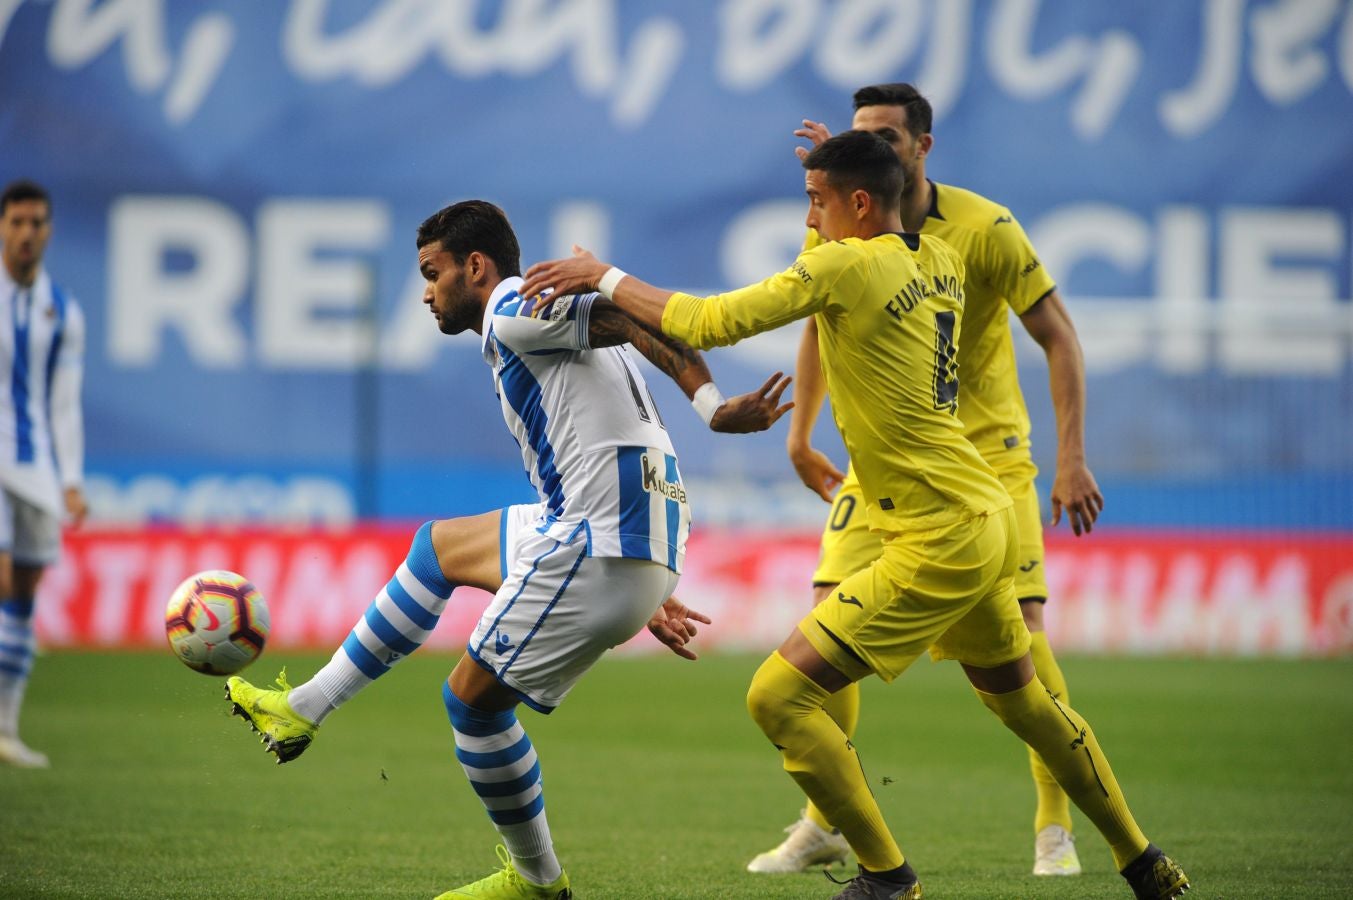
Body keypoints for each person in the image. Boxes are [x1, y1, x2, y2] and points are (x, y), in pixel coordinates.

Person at [519, 131, 1189, 900]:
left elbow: (706, 322)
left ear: (859, 203)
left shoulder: (844, 264)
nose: (809, 219)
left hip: (935, 533)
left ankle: (886, 877)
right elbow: (848, 277)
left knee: (775, 695)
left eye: (816, 201)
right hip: (983, 513)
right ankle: (1143, 861)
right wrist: (833, 180)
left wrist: (599, 276)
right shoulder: (934, 258)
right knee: (1027, 702)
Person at [225, 199, 792, 899]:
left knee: (473, 704)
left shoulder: (512, 306)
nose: (426, 292)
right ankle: (303, 708)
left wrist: (710, 407)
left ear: (476, 266)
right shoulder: (534, 315)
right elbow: (623, 341)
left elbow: (637, 316)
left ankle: (536, 882)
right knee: (438, 549)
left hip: (602, 538)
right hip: (620, 531)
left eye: (432, 273)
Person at [748, 81, 1102, 878]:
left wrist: (1071, 456)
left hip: (986, 464)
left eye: (886, 134)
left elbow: (1058, 336)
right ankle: (825, 820)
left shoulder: (984, 227)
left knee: (1024, 637)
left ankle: (1054, 825)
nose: (875, 143)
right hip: (883, 467)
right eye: (860, 133)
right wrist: (800, 432)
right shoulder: (847, 223)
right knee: (822, 614)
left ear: (921, 146)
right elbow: (819, 319)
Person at [0, 179, 88, 769]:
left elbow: (63, 401)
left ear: (49, 229)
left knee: (24, 594)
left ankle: (6, 727)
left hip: (32, 468)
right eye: (17, 222)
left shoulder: (61, 309)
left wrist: (71, 478)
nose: (28, 233)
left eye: (37, 222)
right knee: (6, 577)